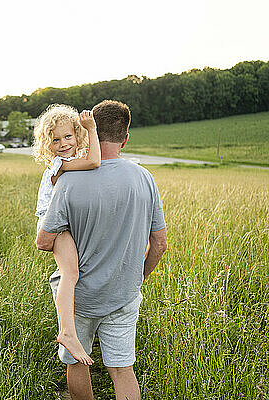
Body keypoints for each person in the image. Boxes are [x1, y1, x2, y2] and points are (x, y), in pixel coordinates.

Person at [36, 100, 168, 400]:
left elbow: (44, 240)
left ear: (85, 132)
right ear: (125, 138)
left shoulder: (69, 180)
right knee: (123, 370)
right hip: (123, 293)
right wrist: (137, 278)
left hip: (79, 297)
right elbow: (159, 244)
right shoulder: (145, 179)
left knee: (76, 364)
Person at [33, 104, 101, 365]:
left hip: (61, 223)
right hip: (53, 224)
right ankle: (68, 332)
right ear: (47, 144)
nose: (62, 143)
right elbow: (94, 161)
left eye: (68, 137)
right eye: (55, 139)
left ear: (76, 135)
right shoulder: (60, 164)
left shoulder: (71, 161)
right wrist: (91, 129)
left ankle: (74, 330)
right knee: (69, 274)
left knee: (73, 273)